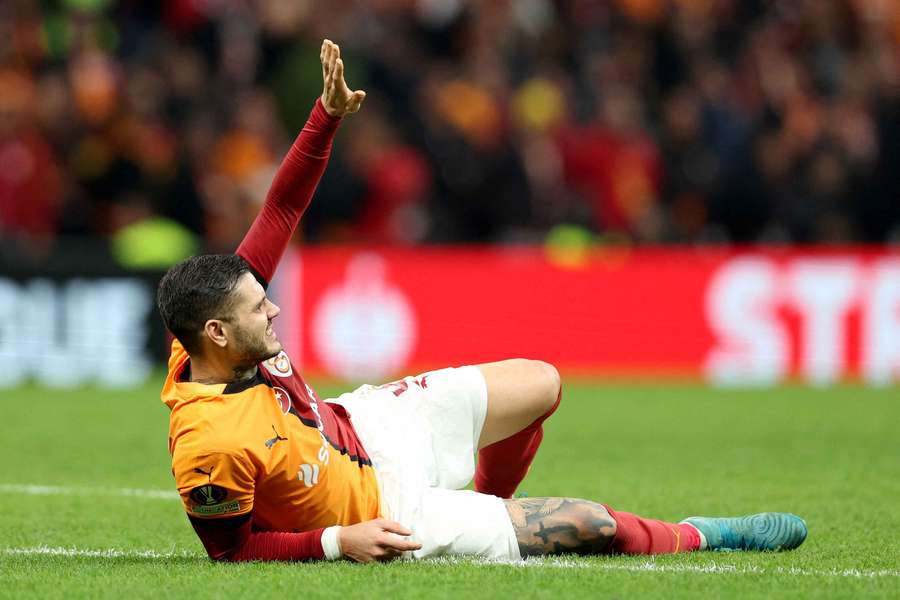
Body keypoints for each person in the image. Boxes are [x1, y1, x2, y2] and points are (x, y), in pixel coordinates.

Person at [157, 40, 807, 563]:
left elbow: (284, 205)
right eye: (257, 309)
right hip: (381, 513)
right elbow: (231, 552)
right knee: (592, 523)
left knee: (542, 383)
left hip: (365, 425)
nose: (272, 311)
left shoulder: (215, 319)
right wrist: (336, 542)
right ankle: (700, 534)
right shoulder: (208, 442)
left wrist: (325, 117)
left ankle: (489, 516)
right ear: (215, 332)